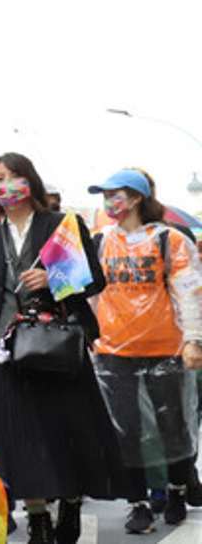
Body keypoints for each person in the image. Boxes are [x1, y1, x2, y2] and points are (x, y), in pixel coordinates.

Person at [0, 153, 121, 544]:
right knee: (15, 437)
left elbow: (95, 281)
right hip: (2, 353)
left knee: (66, 430)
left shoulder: (61, 226)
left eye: (15, 176)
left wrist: (53, 279)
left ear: (31, 182)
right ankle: (36, 516)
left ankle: (70, 500)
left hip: (56, 347)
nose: (7, 184)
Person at [87, 169, 202, 533]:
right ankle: (137, 502)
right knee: (126, 432)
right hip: (113, 353)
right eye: (104, 196)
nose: (108, 203)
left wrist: (193, 340)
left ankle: (176, 490)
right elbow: (89, 292)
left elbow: (189, 292)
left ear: (136, 197)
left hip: (164, 350)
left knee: (173, 426)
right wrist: (91, 335)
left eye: (114, 194)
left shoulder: (170, 240)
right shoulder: (101, 241)